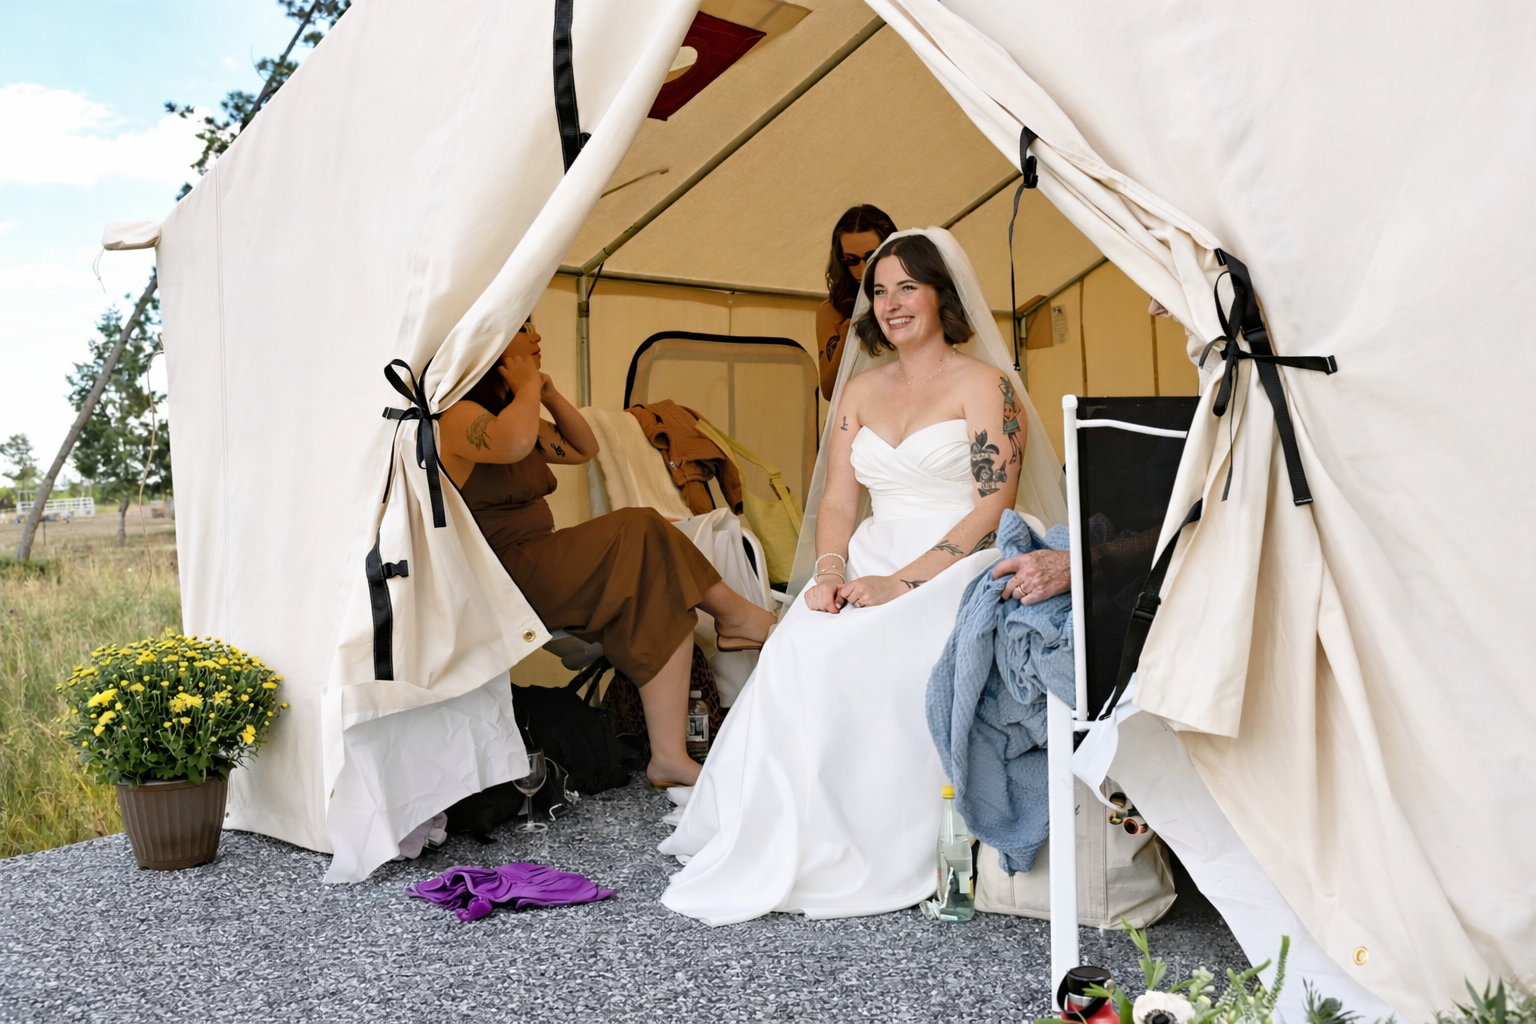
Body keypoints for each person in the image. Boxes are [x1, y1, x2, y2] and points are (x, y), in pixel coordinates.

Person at [658, 229, 1068, 925]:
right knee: (803, 639)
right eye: (880, 290)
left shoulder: (985, 385)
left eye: (909, 286)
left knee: (870, 648)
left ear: (943, 295)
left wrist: (901, 585)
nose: (891, 303)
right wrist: (827, 571)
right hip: (869, 554)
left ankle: (880, 841)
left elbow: (991, 504)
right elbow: (841, 500)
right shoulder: (857, 390)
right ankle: (793, 827)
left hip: (955, 557)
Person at [437, 319, 778, 789]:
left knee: (656, 595)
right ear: (491, 345)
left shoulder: (519, 411)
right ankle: (735, 615)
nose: (538, 337)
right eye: (524, 328)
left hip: (540, 559)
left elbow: (584, 448)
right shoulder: (454, 414)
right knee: (640, 525)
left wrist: (549, 395)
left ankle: (668, 758)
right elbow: (514, 441)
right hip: (501, 572)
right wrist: (526, 389)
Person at [814, 204, 897, 400]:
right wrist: (846, 338)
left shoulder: (911, 300)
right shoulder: (832, 310)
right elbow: (828, 390)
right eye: (851, 260)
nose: (861, 270)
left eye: (871, 257)